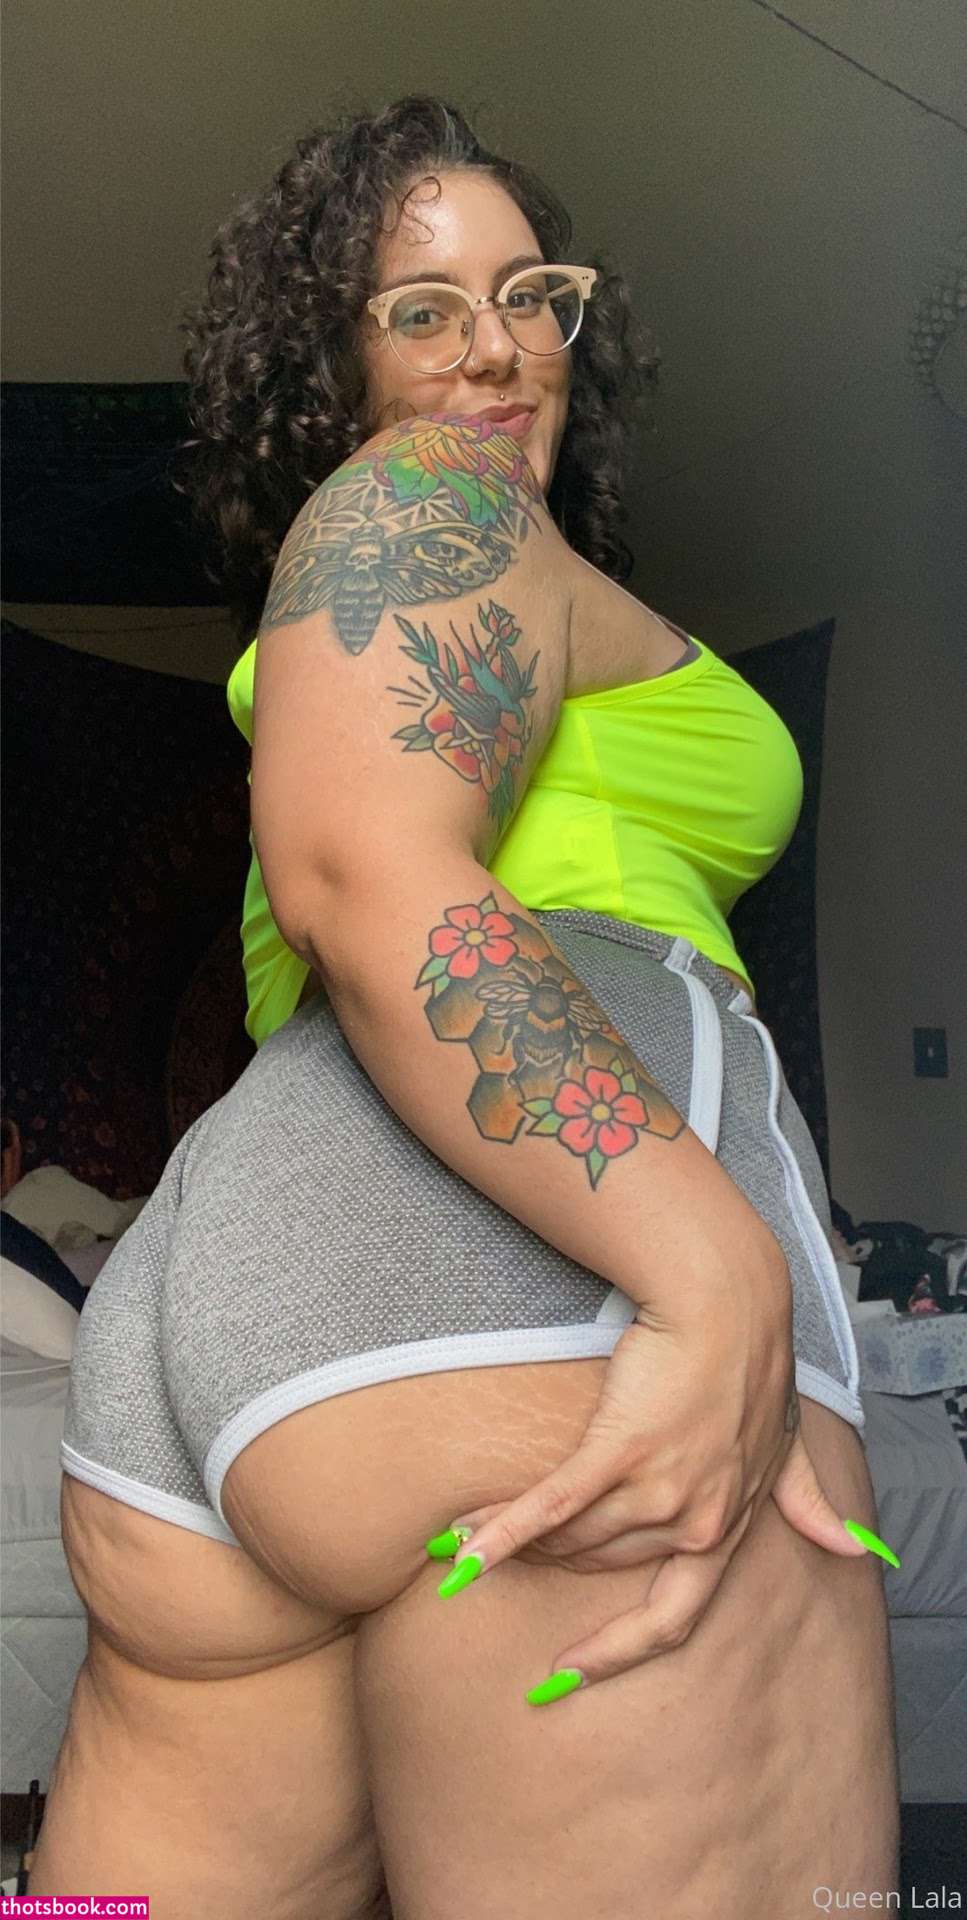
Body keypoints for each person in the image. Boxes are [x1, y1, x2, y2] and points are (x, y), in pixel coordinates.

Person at [31, 95, 900, 1914]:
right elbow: (366, 869)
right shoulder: (433, 501)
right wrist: (713, 1261)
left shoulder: (439, 574)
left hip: (257, 1281)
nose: (495, 347)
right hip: (536, 1275)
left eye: (530, 294)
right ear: (327, 366)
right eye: (422, 308)